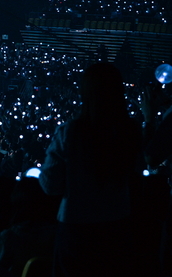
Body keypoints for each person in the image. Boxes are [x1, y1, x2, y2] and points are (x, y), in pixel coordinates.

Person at [38, 62, 142, 276]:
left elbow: (50, 185)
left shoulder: (70, 132)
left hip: (76, 229)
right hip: (119, 226)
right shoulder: (130, 131)